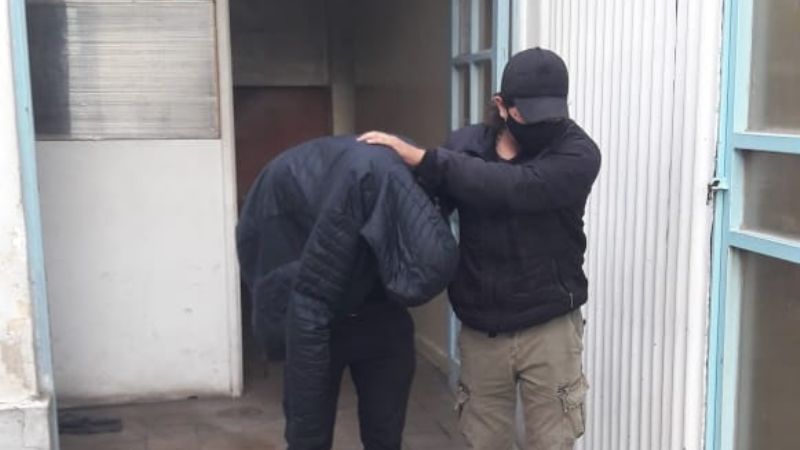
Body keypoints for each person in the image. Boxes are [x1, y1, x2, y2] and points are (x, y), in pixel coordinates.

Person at [358, 47, 601, 449]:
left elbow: (517, 188)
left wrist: (427, 159)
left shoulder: (577, 153)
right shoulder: (465, 147)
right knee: (482, 442)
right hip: (482, 329)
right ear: (501, 106)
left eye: (551, 115)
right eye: (529, 115)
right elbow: (425, 212)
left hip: (550, 327)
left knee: (553, 442)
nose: (542, 125)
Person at [236, 136, 458, 450]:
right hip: (320, 309)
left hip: (378, 314)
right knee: (309, 434)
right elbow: (307, 312)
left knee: (385, 435)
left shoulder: (407, 185)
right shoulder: (336, 202)